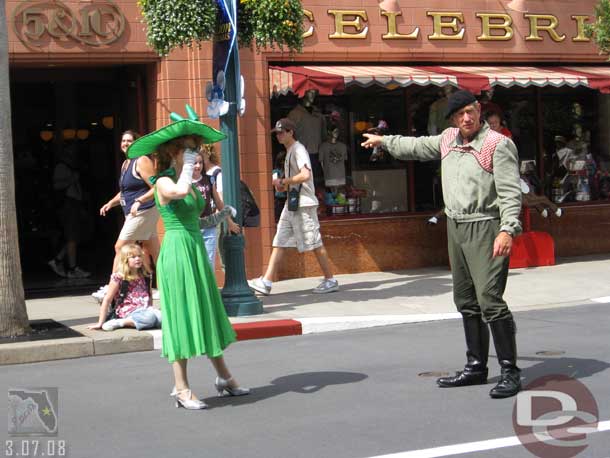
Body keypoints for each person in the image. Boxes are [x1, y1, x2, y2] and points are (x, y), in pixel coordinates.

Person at [361, 90, 523, 399]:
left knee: (489, 298)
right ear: (452, 119)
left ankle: (510, 372)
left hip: (486, 226)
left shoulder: (497, 145)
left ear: (479, 111)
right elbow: (419, 145)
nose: (466, 118)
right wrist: (385, 141)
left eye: (471, 111)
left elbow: (510, 192)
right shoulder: (449, 138)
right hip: (456, 226)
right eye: (460, 114)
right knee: (465, 300)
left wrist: (507, 230)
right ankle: (476, 367)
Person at [127, 105, 249, 410]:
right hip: (178, 254)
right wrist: (188, 169)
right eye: (191, 150)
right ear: (175, 153)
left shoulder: (192, 182)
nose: (197, 156)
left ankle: (224, 378)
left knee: (206, 312)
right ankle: (181, 388)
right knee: (181, 316)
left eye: (198, 150)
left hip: (193, 249)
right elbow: (179, 193)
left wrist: (224, 215)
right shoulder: (165, 182)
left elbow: (199, 220)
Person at [248, 118, 339, 296]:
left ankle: (330, 279)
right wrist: (285, 184)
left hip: (303, 203)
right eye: (277, 133)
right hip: (293, 202)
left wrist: (284, 181)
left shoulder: (298, 150)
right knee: (279, 240)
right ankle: (266, 281)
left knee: (314, 242)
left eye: (282, 132)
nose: (279, 136)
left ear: (291, 132)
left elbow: (305, 175)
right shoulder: (291, 150)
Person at [94, 130, 160, 300]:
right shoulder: (126, 164)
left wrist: (139, 201)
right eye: (123, 141)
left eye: (129, 141)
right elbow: (125, 192)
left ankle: (111, 289)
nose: (125, 144)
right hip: (133, 212)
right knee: (154, 251)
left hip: (144, 211)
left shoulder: (142, 161)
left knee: (120, 247)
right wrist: (111, 202)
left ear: (136, 143)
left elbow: (157, 187)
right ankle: (164, 286)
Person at [88, 243, 161, 332]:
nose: (137, 259)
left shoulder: (146, 276)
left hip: (144, 310)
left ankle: (145, 320)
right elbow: (107, 299)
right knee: (150, 318)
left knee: (163, 319)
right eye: (133, 257)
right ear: (125, 260)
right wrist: (100, 322)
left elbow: (149, 296)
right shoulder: (119, 277)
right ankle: (120, 322)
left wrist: (150, 309)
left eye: (139, 256)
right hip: (128, 311)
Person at [48, 142, 91, 279]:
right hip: (68, 204)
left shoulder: (73, 167)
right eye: (71, 151)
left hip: (76, 204)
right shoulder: (61, 167)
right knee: (72, 236)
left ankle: (58, 260)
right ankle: (72, 268)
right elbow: (56, 185)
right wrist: (72, 179)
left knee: (75, 236)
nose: (73, 154)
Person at [192, 147, 240, 267]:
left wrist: (229, 221)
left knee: (208, 264)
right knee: (194, 264)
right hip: (192, 227)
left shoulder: (208, 180)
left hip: (208, 227)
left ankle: (208, 286)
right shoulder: (184, 183)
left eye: (200, 163)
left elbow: (218, 202)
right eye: (194, 163)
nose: (198, 166)